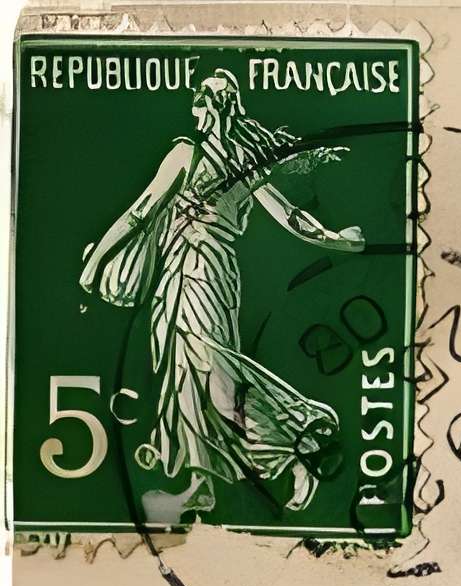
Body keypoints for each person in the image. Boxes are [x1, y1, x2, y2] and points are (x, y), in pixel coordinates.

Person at [79, 72, 363, 516]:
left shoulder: (186, 153)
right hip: (205, 272)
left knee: (213, 375)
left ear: (204, 107)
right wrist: (337, 239)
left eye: (198, 101)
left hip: (196, 270)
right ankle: (204, 483)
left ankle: (301, 437)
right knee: (189, 376)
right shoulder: (244, 161)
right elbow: (292, 218)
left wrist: (96, 263)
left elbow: (140, 213)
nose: (197, 110)